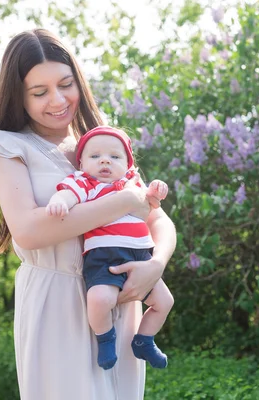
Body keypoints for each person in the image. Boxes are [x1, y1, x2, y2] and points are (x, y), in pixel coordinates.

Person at [0, 28, 176, 400]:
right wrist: (124, 201)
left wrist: (156, 265)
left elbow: (155, 216)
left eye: (66, 84)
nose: (58, 100)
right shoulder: (7, 147)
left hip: (120, 295)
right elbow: (29, 231)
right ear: (18, 95)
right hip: (55, 300)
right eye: (40, 91)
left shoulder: (98, 143)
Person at [46, 125, 173, 370]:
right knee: (99, 298)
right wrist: (58, 202)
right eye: (95, 156)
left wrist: (156, 189)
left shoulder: (132, 183)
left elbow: (152, 204)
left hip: (142, 255)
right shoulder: (84, 183)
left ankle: (144, 340)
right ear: (81, 162)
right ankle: (106, 338)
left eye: (115, 157)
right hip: (104, 256)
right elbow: (68, 196)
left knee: (164, 301)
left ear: (128, 164)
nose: (105, 160)